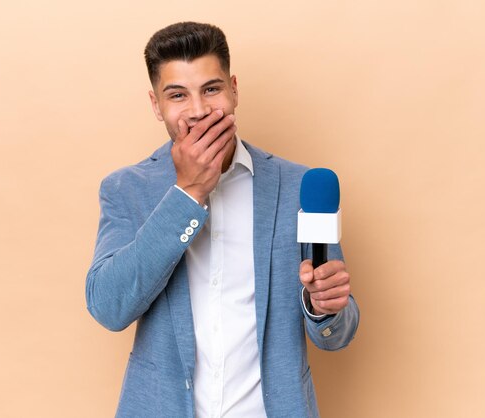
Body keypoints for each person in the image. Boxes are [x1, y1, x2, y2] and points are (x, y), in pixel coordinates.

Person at [86, 21, 359, 418]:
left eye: (211, 89)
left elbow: (337, 332)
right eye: (177, 95)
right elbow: (109, 307)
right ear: (155, 104)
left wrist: (325, 308)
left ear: (234, 89)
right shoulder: (127, 189)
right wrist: (188, 193)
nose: (198, 111)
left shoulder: (297, 185)